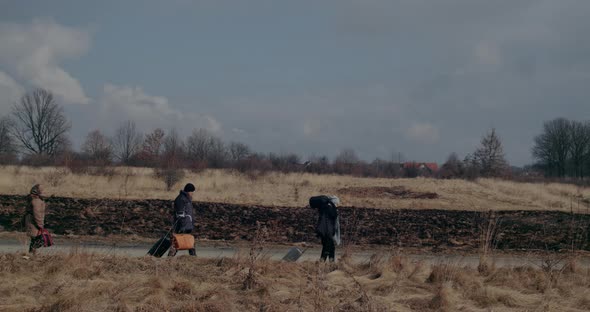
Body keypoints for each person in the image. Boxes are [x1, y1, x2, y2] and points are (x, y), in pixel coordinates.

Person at [168, 183, 197, 256]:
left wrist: (191, 224)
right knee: (177, 243)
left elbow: (189, 213)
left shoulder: (188, 200)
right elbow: (180, 214)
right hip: (181, 225)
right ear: (188, 191)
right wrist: (183, 226)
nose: (193, 194)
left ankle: (193, 257)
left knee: (191, 243)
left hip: (188, 225)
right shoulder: (180, 199)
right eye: (192, 192)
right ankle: (169, 258)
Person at [313, 195, 340, 262]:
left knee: (329, 247)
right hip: (327, 232)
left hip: (324, 232)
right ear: (334, 202)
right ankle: (322, 263)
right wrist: (329, 233)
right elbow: (327, 223)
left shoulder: (326, 208)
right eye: (337, 203)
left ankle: (329, 262)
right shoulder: (329, 209)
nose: (337, 205)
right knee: (327, 248)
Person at [23, 184, 47, 254]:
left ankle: (31, 254)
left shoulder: (33, 199)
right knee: (36, 239)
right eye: (42, 191)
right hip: (33, 223)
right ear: (38, 192)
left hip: (31, 221)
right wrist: (40, 224)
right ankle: (32, 255)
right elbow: (37, 214)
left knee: (34, 239)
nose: (43, 192)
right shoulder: (36, 201)